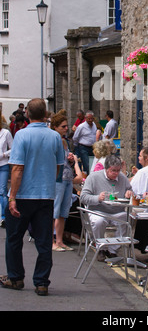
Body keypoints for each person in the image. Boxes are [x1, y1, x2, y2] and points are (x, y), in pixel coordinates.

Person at [0, 98, 64, 295]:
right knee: (44, 240)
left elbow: (17, 169)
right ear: (45, 114)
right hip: (45, 197)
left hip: (24, 196)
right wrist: (46, 184)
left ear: (27, 113)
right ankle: (41, 282)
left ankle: (16, 278)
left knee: (13, 239)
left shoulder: (21, 135)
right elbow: (58, 166)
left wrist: (12, 197)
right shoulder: (54, 137)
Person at [80, 154, 133, 261]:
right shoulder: (93, 177)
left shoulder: (122, 178)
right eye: (113, 170)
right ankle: (101, 248)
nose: (116, 173)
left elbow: (131, 191)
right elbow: (83, 197)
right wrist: (98, 198)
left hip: (117, 211)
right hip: (97, 210)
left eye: (118, 170)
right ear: (106, 168)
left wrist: (129, 193)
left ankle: (113, 250)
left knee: (127, 219)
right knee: (99, 221)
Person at [51, 111, 84, 252]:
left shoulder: (65, 141)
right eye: (63, 126)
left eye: (66, 126)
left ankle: (60, 240)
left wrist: (71, 160)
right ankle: (51, 241)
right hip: (58, 179)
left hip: (67, 178)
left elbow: (65, 162)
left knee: (63, 212)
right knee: (55, 211)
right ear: (55, 127)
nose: (66, 129)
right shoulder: (53, 140)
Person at [72, 110, 97, 175]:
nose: (90, 120)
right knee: (87, 164)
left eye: (92, 118)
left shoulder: (94, 125)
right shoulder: (81, 126)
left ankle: (90, 177)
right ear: (86, 118)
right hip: (83, 147)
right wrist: (77, 146)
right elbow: (75, 137)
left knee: (93, 164)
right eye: (89, 119)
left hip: (92, 147)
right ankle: (89, 178)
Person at [0, 118, 13, 227]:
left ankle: (4, 216)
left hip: (3, 164)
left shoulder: (5, 133)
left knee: (3, 190)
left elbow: (12, 148)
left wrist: (4, 154)